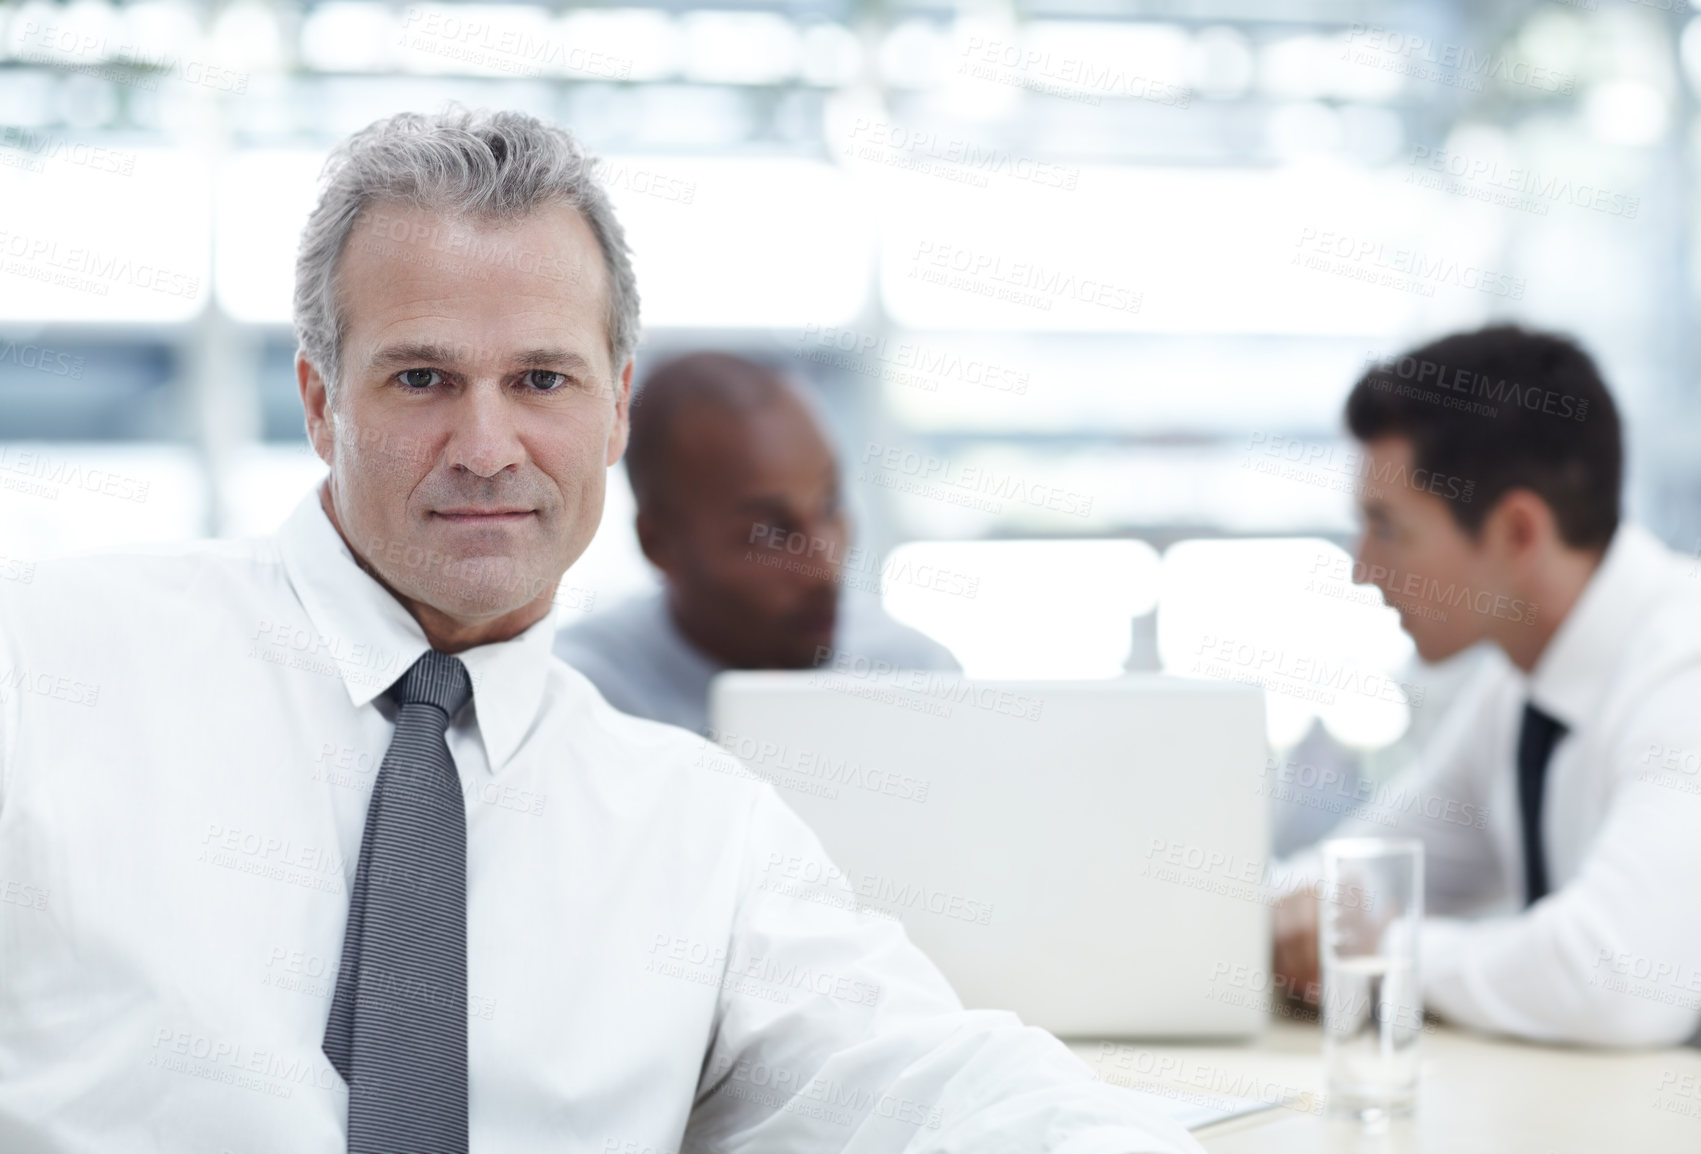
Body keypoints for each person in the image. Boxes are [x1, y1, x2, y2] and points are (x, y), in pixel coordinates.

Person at [0, 108, 1198, 1153]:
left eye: (542, 380)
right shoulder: (49, 660)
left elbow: (931, 1086)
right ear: (321, 401)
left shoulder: (700, 833)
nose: (484, 447)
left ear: (616, 406)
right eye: (421, 378)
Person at [1270, 324, 1701, 1048]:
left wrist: (1386, 949)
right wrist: (1316, 914)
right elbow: (1356, 875)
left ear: (1518, 531)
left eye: (1387, 529)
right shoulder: (1519, 684)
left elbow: (1614, 981)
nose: (1363, 568)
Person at [556, 351, 956, 734]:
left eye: (830, 504)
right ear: (657, 544)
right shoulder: (579, 699)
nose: (823, 567)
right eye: (769, 533)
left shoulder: (916, 679)